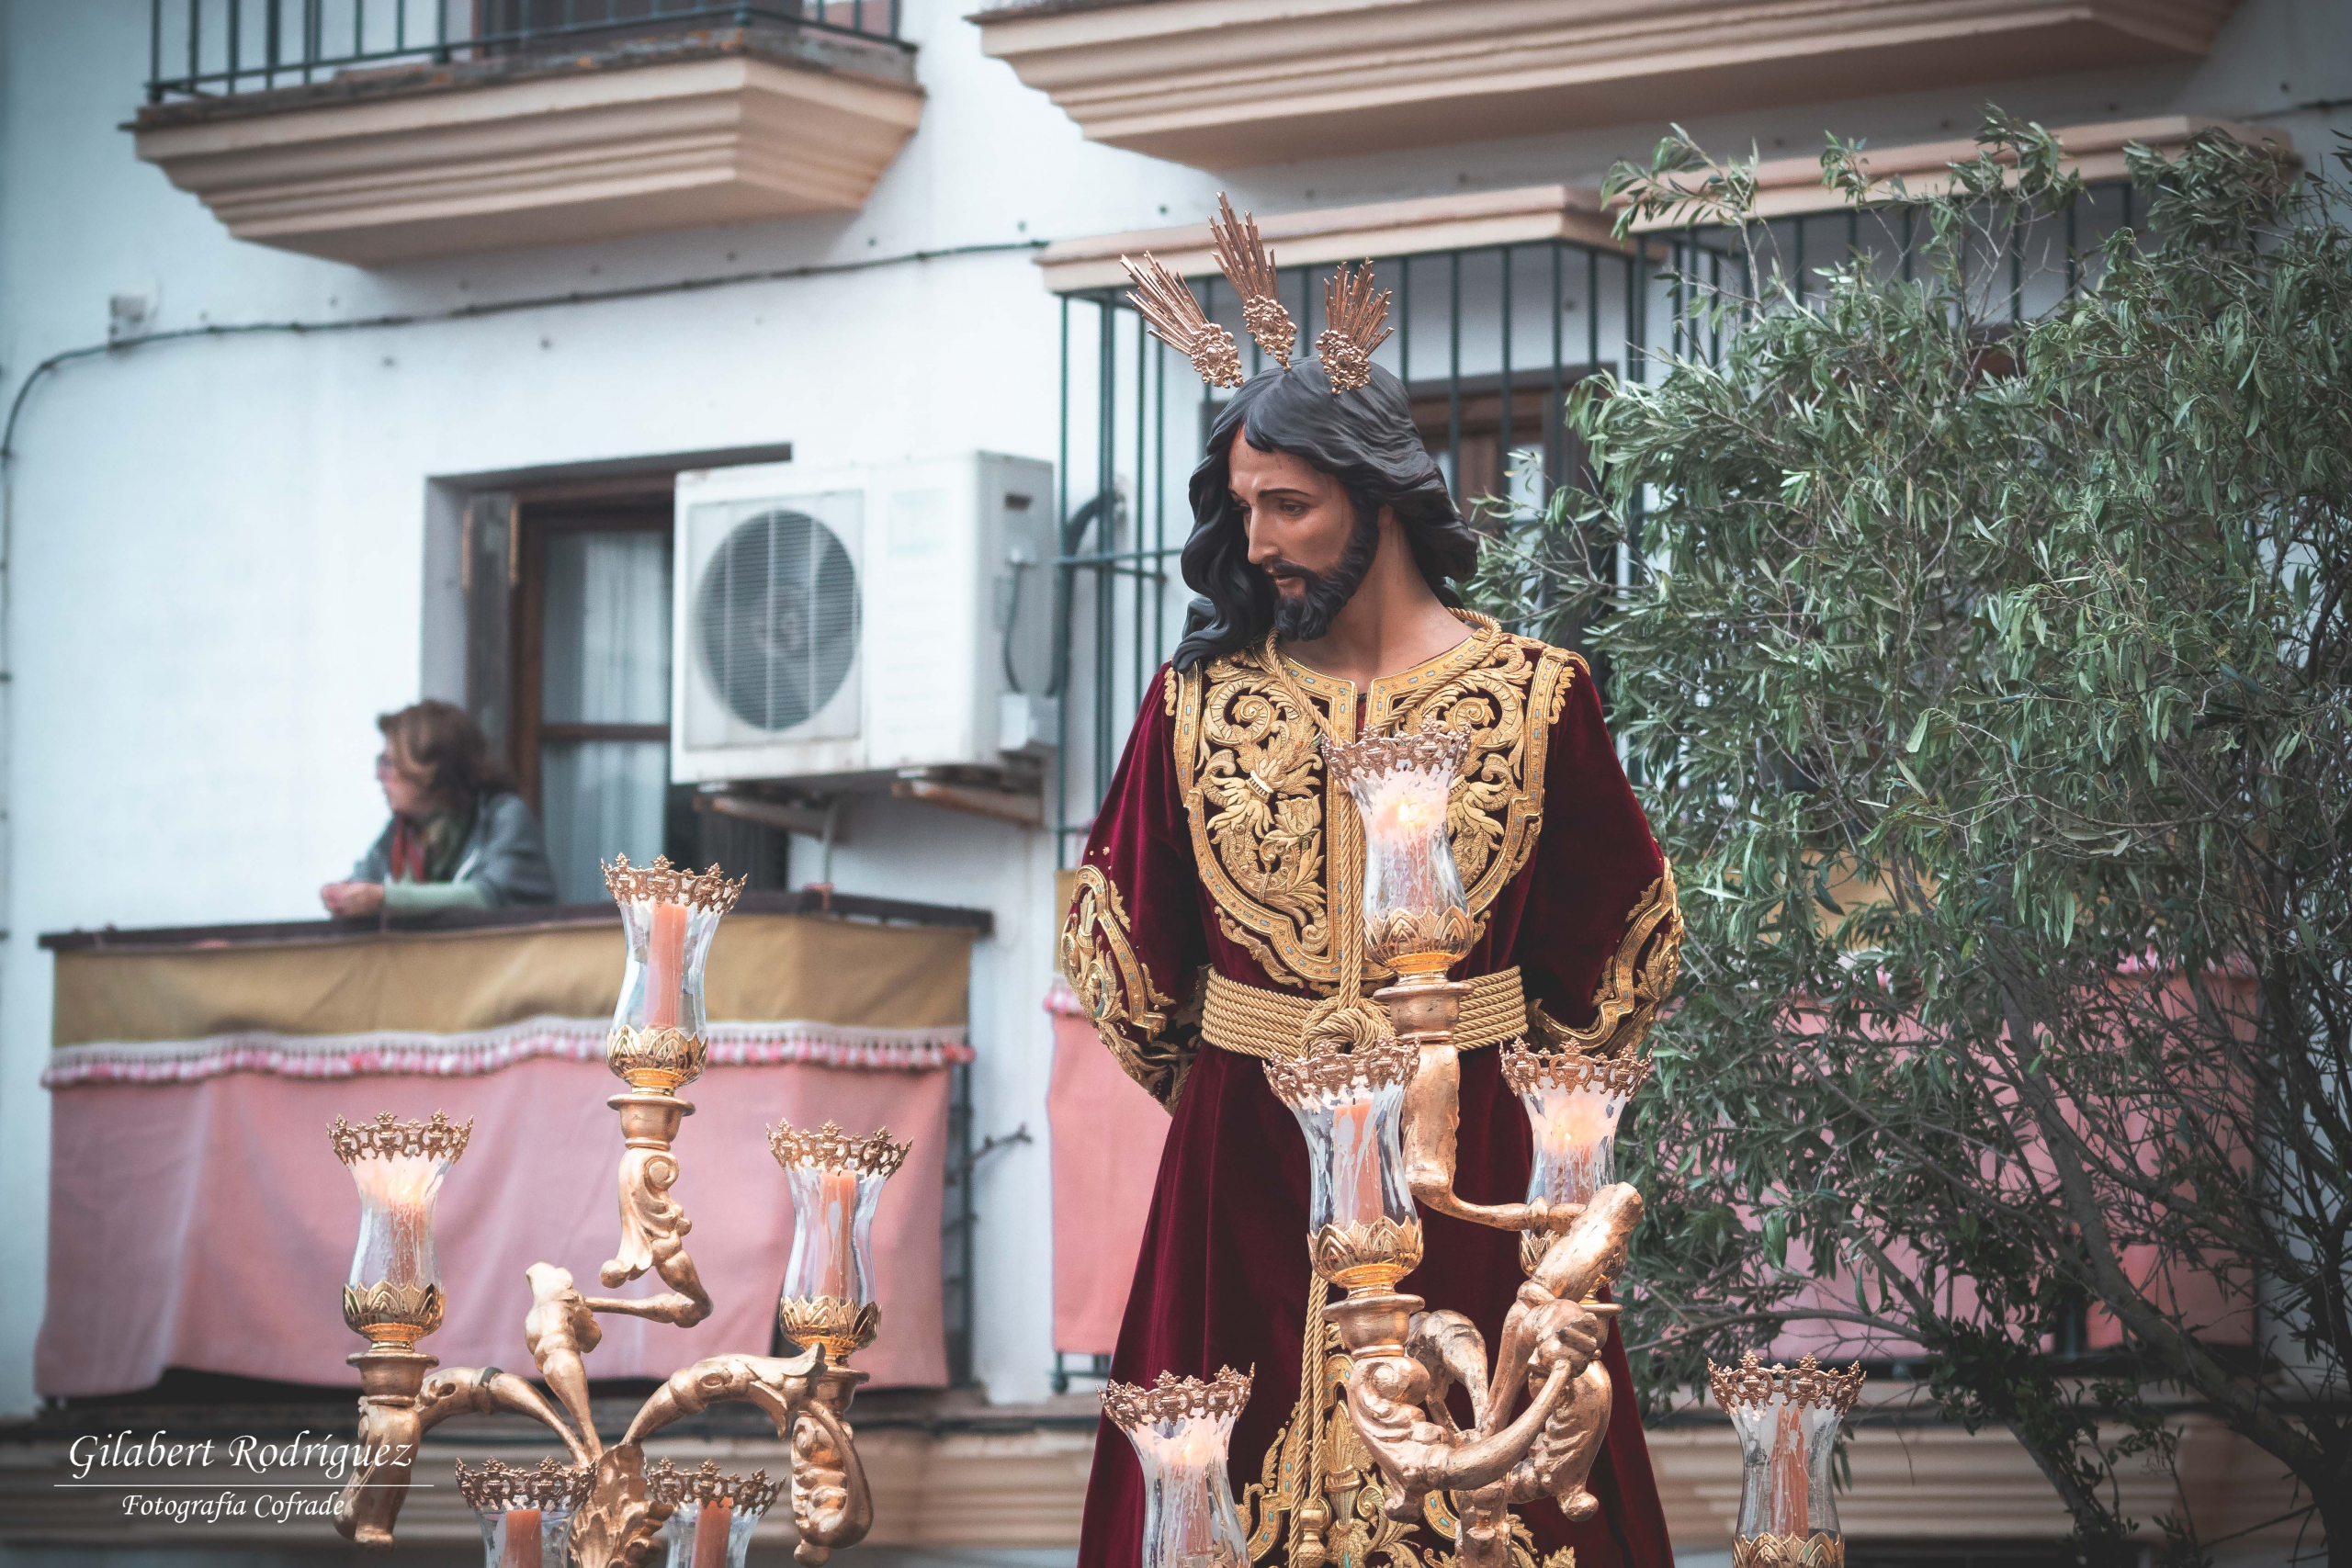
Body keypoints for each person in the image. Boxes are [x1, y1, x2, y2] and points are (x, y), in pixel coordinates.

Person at [1058, 203, 1679, 1566]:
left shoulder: (1536, 696)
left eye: (1290, 505)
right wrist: (1259, 1075)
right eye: (1244, 509)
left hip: (1472, 1164)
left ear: (1378, 495)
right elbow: (1128, 968)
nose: (1260, 541)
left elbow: (1616, 962)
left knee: (1494, 1484)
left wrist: (1504, 1102)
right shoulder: (1194, 705)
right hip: (1241, 1168)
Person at [321, 700, 558, 917]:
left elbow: (488, 897)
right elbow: (366, 882)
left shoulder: (503, 816)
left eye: (388, 763)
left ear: (430, 769)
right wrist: (343, 896)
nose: (379, 776)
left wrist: (385, 898)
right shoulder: (403, 829)